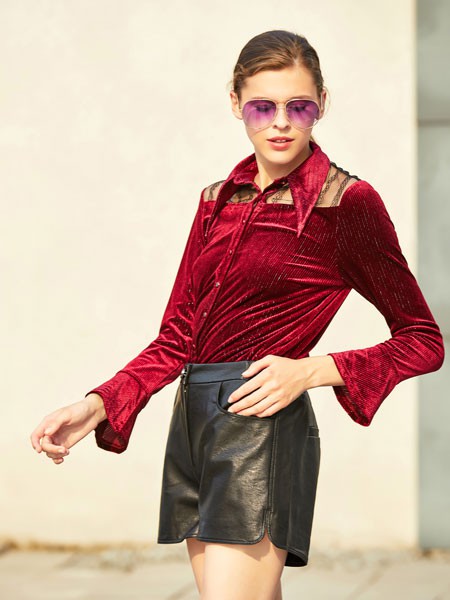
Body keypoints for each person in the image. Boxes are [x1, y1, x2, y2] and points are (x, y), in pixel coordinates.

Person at [30, 29, 445, 600]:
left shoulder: (345, 203)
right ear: (236, 103)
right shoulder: (216, 200)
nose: (281, 123)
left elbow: (423, 339)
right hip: (193, 423)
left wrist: (311, 370)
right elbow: (178, 335)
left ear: (322, 104)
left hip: (261, 431)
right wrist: (98, 403)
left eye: (299, 107)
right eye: (262, 107)